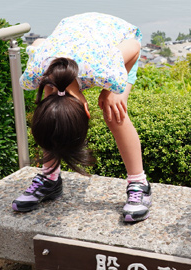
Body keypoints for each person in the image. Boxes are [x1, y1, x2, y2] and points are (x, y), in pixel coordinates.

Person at [14, 12, 150, 222]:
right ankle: (50, 178)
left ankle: (139, 183)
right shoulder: (36, 72)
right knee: (52, 117)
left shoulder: (105, 67)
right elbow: (39, 42)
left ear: (87, 112)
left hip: (120, 41)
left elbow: (134, 46)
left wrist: (112, 90)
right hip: (73, 39)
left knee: (114, 111)